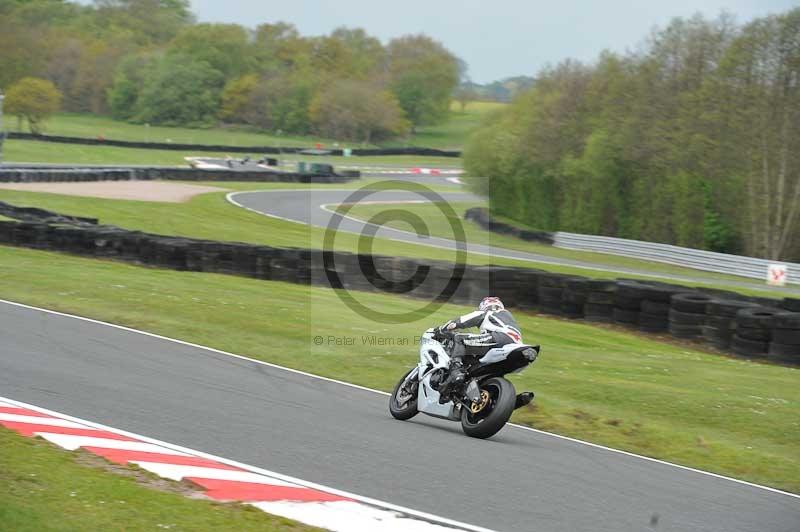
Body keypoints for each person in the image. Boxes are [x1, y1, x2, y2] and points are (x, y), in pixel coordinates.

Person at [432, 296, 523, 400]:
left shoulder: (488, 312)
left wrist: (440, 330)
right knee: (485, 368)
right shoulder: (508, 316)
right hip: (516, 347)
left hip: (499, 339)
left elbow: (458, 322)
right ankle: (499, 397)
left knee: (459, 339)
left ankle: (455, 372)